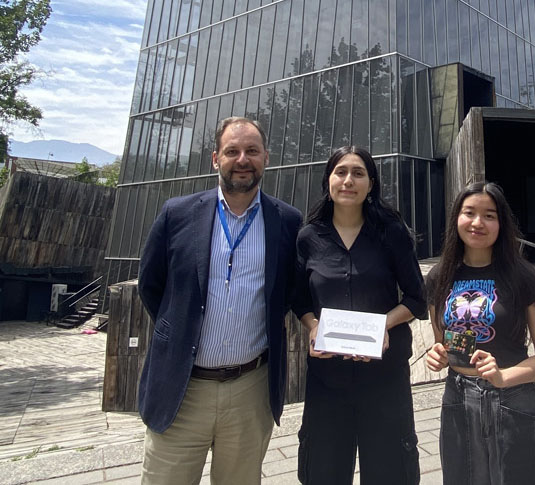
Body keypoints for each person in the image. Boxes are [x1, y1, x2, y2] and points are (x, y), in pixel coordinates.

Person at [137, 116, 303, 484]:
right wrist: (179, 332)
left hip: (250, 391)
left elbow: (289, 292)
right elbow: (151, 285)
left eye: (252, 151)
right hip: (182, 391)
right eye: (232, 151)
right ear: (216, 159)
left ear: (266, 158)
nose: (242, 159)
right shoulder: (176, 215)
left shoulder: (287, 222)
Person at [293, 146, 427, 484]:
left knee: (390, 471)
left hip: (385, 378)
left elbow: (416, 298)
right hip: (327, 380)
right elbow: (298, 299)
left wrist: (384, 323)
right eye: (341, 172)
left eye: (358, 173)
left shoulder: (391, 233)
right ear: (328, 181)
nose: (348, 180)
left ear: (371, 183)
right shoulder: (309, 237)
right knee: (323, 471)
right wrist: (312, 326)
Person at [425, 182, 535, 485]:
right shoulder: (439, 276)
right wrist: (438, 356)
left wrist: (503, 377)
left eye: (489, 215)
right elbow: (441, 341)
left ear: (501, 224)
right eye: (469, 212)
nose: (477, 223)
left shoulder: (523, 276)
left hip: (513, 397)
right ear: (457, 218)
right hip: (457, 397)